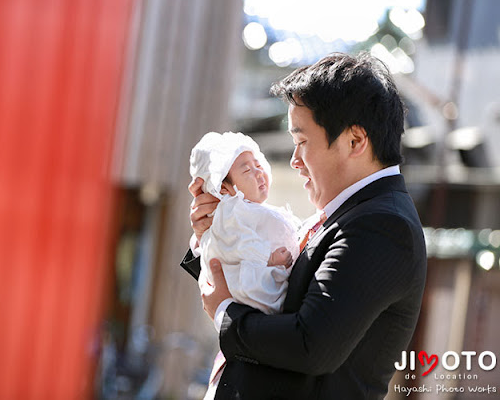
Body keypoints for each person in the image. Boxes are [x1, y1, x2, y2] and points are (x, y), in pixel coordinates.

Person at [181, 52, 427, 399]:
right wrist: (211, 236)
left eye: (301, 142)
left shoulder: (384, 225)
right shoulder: (354, 212)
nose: (294, 161)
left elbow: (309, 345)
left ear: (355, 142)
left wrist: (224, 311)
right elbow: (270, 295)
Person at [189, 131, 302, 398]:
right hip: (251, 303)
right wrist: (268, 258)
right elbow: (237, 246)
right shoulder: (233, 213)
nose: (260, 172)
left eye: (258, 165)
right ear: (226, 189)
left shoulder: (252, 213)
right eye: (247, 170)